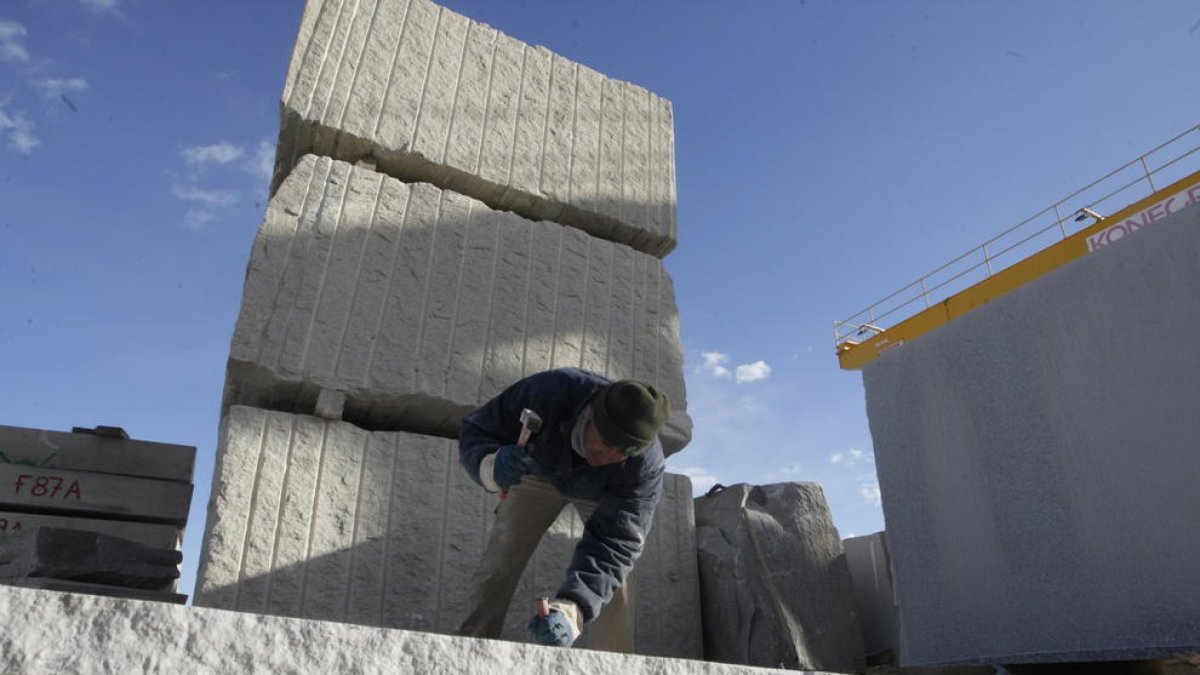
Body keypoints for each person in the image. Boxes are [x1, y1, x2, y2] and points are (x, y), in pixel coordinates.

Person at [456, 367, 669, 650]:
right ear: (592, 414)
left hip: (601, 494)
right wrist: (489, 465)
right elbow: (477, 427)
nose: (607, 456)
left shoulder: (644, 467)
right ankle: (472, 647)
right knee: (502, 556)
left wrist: (574, 609)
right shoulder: (550, 391)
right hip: (535, 472)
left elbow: (616, 543)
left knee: (619, 583)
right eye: (605, 441)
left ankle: (613, 663)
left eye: (622, 452)